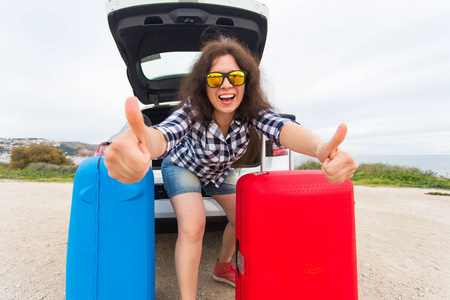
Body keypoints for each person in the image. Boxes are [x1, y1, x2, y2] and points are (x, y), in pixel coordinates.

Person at [105, 37, 359, 300]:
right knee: (194, 225)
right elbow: (165, 133)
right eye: (215, 79)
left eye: (235, 77)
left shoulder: (251, 111)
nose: (226, 85)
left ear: (245, 82)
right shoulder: (192, 109)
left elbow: (282, 128)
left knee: (242, 217)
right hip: (183, 166)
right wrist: (145, 143)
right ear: (204, 84)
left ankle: (222, 266)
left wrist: (320, 149)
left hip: (216, 172)